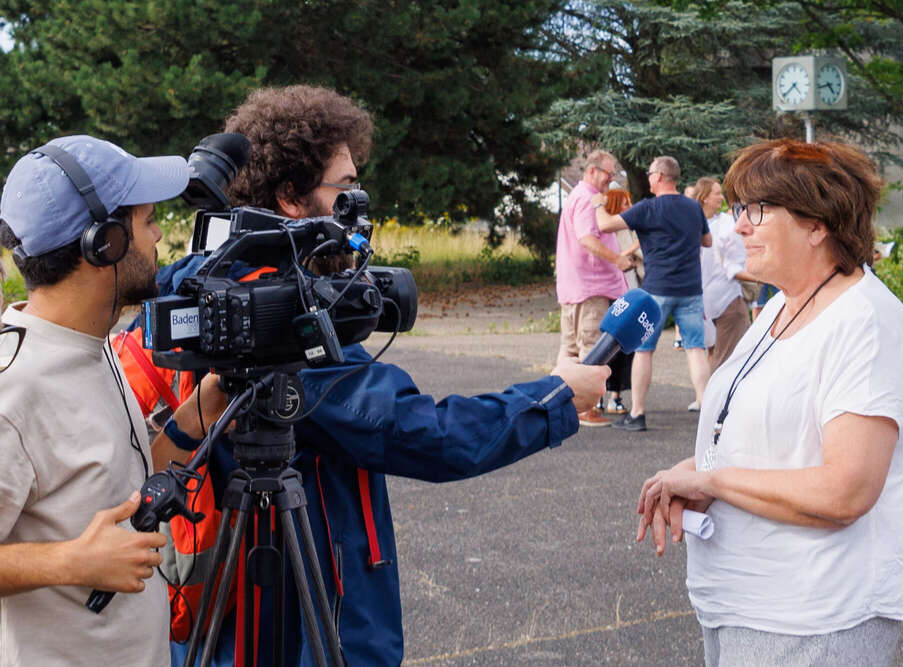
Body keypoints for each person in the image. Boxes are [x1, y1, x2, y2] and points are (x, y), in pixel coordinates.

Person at [151, 85, 608, 667]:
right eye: (344, 188)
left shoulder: (210, 287)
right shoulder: (275, 320)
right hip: (302, 631)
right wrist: (556, 396)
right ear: (291, 196)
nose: (357, 205)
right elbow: (424, 434)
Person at [635, 139, 903, 665]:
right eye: (737, 209)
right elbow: (766, 439)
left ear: (818, 224)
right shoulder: (782, 308)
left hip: (813, 621)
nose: (739, 226)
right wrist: (692, 472)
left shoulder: (864, 323)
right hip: (744, 606)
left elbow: (845, 491)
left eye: (758, 210)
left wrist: (712, 481)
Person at [0, 136, 220, 665]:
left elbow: (119, 485)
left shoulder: (91, 345)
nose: (160, 234)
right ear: (107, 244)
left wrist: (198, 417)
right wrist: (72, 563)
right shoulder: (16, 387)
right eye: (147, 221)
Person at [593, 156, 712, 430]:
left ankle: (637, 413)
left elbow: (605, 225)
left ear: (658, 177)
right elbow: (707, 241)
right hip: (691, 288)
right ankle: (705, 410)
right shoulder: (693, 207)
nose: (647, 178)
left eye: (649, 173)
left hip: (656, 290)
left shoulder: (648, 208)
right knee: (696, 348)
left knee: (644, 350)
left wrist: (599, 203)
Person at [555, 149, 633, 426]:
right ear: (592, 171)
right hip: (591, 287)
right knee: (590, 348)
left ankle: (558, 402)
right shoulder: (588, 199)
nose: (610, 181)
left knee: (571, 348)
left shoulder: (579, 196)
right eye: (607, 174)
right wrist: (618, 259)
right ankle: (584, 410)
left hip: (577, 286)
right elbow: (587, 238)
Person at [691, 177, 754, 372]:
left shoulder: (691, 225)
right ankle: (714, 400)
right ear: (705, 198)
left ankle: (708, 398)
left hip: (711, 300)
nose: (721, 197)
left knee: (718, 357)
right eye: (717, 193)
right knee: (727, 361)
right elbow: (735, 266)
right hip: (721, 300)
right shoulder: (726, 225)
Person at [598, 188, 640, 415]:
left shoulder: (628, 229)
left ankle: (616, 395)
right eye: (625, 203)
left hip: (629, 287)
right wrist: (635, 247)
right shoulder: (609, 230)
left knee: (625, 347)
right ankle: (600, 395)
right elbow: (618, 255)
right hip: (613, 290)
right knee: (605, 345)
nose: (629, 207)